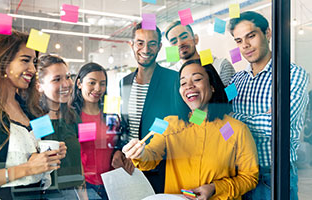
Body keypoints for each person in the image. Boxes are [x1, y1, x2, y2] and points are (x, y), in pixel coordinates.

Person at [122, 59, 259, 199]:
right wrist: (140, 153)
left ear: (212, 86)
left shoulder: (235, 129)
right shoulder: (169, 124)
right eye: (183, 83)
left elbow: (249, 177)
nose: (189, 86)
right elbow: (150, 156)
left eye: (197, 79)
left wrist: (215, 188)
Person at [0, 30, 66, 199]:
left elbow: (45, 144)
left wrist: (54, 153)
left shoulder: (33, 108)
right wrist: (28, 168)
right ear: (1, 60)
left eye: (34, 62)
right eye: (25, 60)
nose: (32, 68)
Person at [228, 11, 309, 200]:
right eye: (239, 41)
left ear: (268, 33)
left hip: (272, 175)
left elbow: (275, 125)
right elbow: (221, 119)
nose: (245, 45)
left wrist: (235, 119)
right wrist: (233, 120)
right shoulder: (236, 81)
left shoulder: (292, 75)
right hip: (236, 174)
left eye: (251, 36)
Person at [112, 22, 190, 194]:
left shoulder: (174, 80)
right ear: (131, 45)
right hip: (129, 168)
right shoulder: (124, 82)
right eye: (140, 43)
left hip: (162, 168)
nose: (145, 49)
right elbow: (125, 124)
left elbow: (184, 122)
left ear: (160, 46)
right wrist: (119, 151)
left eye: (152, 43)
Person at [70, 62, 124, 200]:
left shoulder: (111, 111)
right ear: (79, 84)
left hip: (111, 183)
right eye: (92, 83)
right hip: (86, 186)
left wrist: (119, 151)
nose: (98, 88)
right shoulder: (71, 115)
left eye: (102, 83)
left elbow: (118, 139)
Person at [36, 54, 88, 199]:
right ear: (39, 86)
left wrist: (83, 194)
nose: (66, 84)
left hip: (73, 193)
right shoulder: (36, 119)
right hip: (48, 194)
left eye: (68, 76)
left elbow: (78, 160)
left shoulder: (72, 116)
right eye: (57, 79)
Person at [165, 21, 235, 86]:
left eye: (184, 37)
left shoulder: (221, 65)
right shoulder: (170, 75)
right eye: (174, 42)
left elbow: (232, 97)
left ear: (195, 39)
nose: (180, 43)